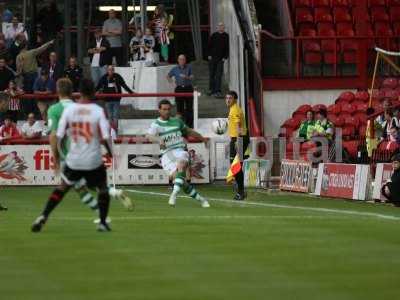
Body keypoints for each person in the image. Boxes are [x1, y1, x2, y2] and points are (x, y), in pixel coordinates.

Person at [31, 79, 113, 232]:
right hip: (93, 159)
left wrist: (58, 157)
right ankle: (102, 222)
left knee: (62, 187)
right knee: (102, 188)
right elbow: (105, 137)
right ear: (94, 93)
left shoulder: (69, 110)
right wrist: (110, 153)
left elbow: (58, 135)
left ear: (79, 92)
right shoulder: (97, 110)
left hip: (73, 159)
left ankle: (43, 215)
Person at [146, 99, 210, 208]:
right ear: (159, 110)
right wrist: (159, 140)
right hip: (167, 155)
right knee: (181, 182)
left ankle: (173, 194)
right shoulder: (156, 124)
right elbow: (148, 136)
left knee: (182, 164)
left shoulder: (177, 121)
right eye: (164, 109)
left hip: (180, 151)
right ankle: (201, 199)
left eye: (168, 109)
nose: (166, 111)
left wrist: (202, 138)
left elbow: (189, 131)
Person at [16, 39, 54, 118]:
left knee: (28, 95)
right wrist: (49, 42)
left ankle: (29, 114)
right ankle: (37, 113)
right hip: (34, 75)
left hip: (25, 77)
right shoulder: (31, 52)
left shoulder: (18, 57)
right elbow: (41, 48)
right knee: (36, 94)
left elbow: (18, 71)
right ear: (26, 46)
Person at [226, 91, 249, 200]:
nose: (228, 100)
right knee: (235, 165)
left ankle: (241, 191)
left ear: (235, 99)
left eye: (230, 98)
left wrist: (238, 140)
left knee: (236, 166)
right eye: (226, 98)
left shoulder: (235, 109)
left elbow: (239, 125)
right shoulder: (233, 108)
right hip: (237, 138)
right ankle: (240, 190)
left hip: (239, 139)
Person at [96, 65, 133, 130]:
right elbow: (98, 86)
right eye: (109, 69)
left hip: (116, 99)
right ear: (107, 70)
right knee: (110, 116)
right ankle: (111, 130)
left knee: (115, 115)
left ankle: (115, 130)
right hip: (107, 100)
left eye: (112, 69)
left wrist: (131, 92)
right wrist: (92, 93)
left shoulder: (118, 76)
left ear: (114, 70)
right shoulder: (104, 77)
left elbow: (124, 85)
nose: (111, 71)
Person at [167, 54, 194, 127]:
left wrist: (186, 77)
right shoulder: (175, 68)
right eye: (180, 59)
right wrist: (171, 81)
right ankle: (180, 123)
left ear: (185, 60)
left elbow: (192, 77)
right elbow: (168, 76)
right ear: (178, 60)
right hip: (179, 89)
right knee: (179, 107)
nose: (182, 61)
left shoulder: (189, 67)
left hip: (188, 88)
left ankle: (190, 124)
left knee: (189, 107)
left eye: (183, 59)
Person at [208, 23, 229, 98]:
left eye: (222, 26)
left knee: (219, 75)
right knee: (212, 74)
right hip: (212, 58)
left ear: (224, 27)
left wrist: (225, 57)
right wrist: (209, 55)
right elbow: (209, 45)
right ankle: (211, 90)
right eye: (220, 26)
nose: (221, 27)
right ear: (218, 27)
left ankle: (218, 91)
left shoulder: (226, 36)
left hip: (221, 59)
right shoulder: (214, 35)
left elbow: (227, 47)